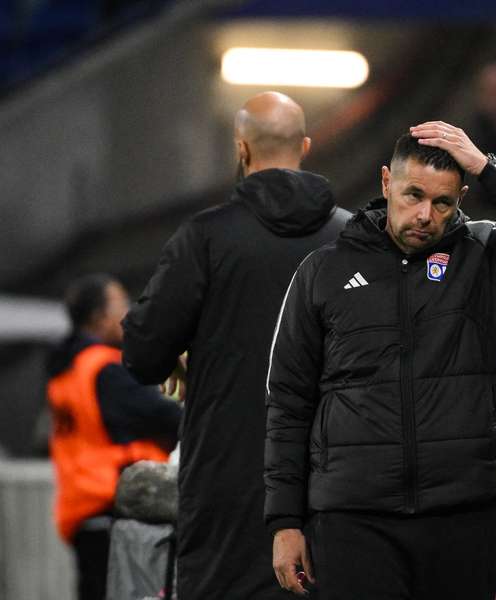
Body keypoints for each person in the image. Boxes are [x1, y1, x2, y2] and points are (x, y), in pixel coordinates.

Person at [265, 122, 496, 599]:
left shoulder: (486, 258)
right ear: (385, 183)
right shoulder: (322, 272)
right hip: (354, 517)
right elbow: (288, 403)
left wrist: (489, 168)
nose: (424, 214)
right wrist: (284, 522)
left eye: (442, 203)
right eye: (412, 195)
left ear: (461, 196)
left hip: (463, 516)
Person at [122, 91, 351, 599]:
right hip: (334, 482)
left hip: (227, 480)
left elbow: (141, 351)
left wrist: (184, 356)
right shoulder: (354, 238)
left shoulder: (206, 237)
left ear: (242, 150)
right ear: (307, 146)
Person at [47, 273, 181, 600]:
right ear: (98, 317)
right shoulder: (103, 369)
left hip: (81, 508)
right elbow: (165, 415)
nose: (128, 312)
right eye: (121, 304)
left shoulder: (65, 370)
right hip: (113, 503)